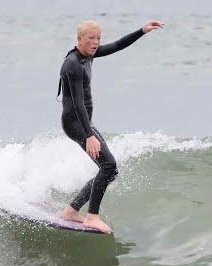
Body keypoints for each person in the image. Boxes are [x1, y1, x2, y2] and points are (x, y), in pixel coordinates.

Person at [58, 19, 164, 233]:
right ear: (79, 40)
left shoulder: (87, 55)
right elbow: (77, 103)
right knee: (108, 166)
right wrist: (89, 135)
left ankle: (71, 211)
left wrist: (142, 30)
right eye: (91, 38)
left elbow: (117, 45)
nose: (96, 42)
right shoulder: (72, 64)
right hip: (76, 123)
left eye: (98, 38)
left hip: (83, 122)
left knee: (109, 169)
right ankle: (91, 217)